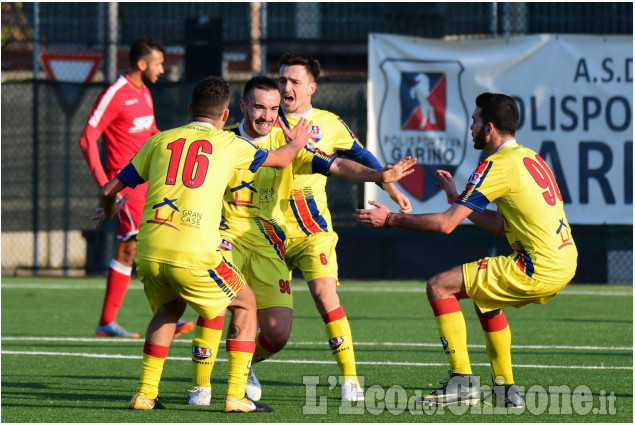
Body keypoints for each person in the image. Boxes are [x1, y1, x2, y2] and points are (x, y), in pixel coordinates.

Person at [187, 76, 416, 406]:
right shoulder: (223, 140)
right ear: (241, 107)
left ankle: (245, 363)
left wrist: (380, 176)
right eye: (258, 107)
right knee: (217, 305)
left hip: (267, 241)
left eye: (273, 108)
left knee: (278, 332)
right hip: (226, 237)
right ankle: (201, 389)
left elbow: (336, 164)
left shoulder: (288, 139)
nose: (266, 115)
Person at [91, 76, 315, 412]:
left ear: (189, 109)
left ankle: (145, 394)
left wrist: (110, 212)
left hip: (150, 250)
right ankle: (236, 395)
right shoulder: (228, 143)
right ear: (226, 116)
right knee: (245, 304)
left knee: (169, 309)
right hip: (193, 251)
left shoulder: (159, 140)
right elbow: (281, 159)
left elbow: (110, 190)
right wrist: (296, 142)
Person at [354, 92, 578, 408]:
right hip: (564, 261)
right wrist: (458, 199)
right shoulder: (529, 158)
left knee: (439, 286)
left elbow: (446, 225)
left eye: (474, 120)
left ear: (489, 128)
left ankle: (462, 382)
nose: (470, 126)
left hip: (536, 266)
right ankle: (506, 391)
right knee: (484, 299)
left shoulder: (496, 165)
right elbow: (501, 225)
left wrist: (389, 218)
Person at [244, 52, 413, 403]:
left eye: (293, 81)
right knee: (272, 329)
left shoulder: (329, 123)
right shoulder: (261, 122)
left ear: (311, 88)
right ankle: (243, 362)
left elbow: (360, 158)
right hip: (263, 233)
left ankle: (350, 380)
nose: (285, 86)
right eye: (281, 79)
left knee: (325, 295)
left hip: (311, 230)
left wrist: (390, 185)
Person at [79, 36, 194, 338]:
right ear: (142, 64)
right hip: (127, 187)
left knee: (132, 248)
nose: (163, 69)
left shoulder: (144, 93)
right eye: (158, 63)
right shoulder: (115, 93)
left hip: (150, 184)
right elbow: (87, 138)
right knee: (143, 244)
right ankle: (166, 313)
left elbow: (152, 133)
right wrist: (107, 185)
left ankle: (107, 321)